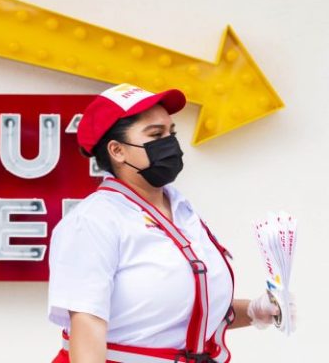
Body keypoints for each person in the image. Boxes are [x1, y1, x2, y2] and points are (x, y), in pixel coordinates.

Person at [47, 83, 296, 363]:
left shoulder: (181, 211)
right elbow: (87, 329)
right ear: (117, 151)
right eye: (156, 135)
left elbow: (171, 319)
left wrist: (253, 310)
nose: (170, 143)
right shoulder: (93, 222)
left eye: (171, 132)